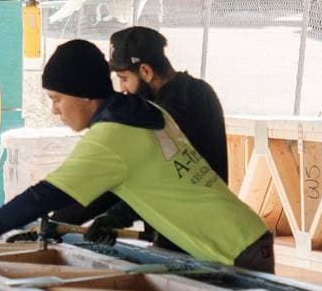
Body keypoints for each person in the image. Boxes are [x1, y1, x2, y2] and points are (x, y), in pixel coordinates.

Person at [0, 39, 273, 272]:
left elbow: (39, 197)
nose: (55, 110)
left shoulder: (110, 138)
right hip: (245, 234)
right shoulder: (147, 113)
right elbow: (155, 182)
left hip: (231, 249)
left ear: (86, 96)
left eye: (57, 98)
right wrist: (110, 218)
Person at [77, 25, 231, 246]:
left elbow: (156, 176)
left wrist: (114, 217)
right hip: (197, 226)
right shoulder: (200, 91)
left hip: (196, 236)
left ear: (146, 72)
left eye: (124, 78)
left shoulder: (165, 112)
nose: (122, 88)